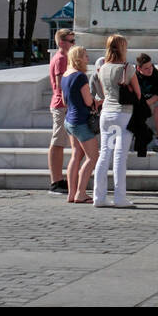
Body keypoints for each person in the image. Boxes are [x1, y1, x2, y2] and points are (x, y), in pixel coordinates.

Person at [92, 35, 141, 208]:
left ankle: (99, 197)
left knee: (104, 154)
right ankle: (120, 197)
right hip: (123, 113)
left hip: (106, 113)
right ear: (122, 48)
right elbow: (138, 94)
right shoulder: (127, 68)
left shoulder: (102, 67)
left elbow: (104, 91)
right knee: (120, 156)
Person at [61, 45, 100, 204]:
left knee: (76, 155)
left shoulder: (65, 75)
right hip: (81, 121)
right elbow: (88, 101)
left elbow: (64, 101)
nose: (87, 58)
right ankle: (81, 193)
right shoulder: (80, 76)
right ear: (78, 58)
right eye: (85, 55)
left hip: (69, 120)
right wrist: (98, 102)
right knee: (93, 157)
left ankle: (71, 193)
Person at [46, 29, 75, 194]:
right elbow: (60, 85)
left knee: (60, 142)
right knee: (57, 142)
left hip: (63, 105)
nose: (74, 44)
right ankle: (55, 181)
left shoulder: (63, 58)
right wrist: (68, 104)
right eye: (72, 41)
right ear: (62, 42)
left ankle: (59, 180)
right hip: (61, 106)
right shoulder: (62, 59)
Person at [130, 53, 158, 157]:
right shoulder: (132, 75)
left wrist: (145, 103)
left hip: (152, 101)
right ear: (138, 68)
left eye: (151, 66)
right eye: (146, 68)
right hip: (137, 102)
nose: (150, 69)